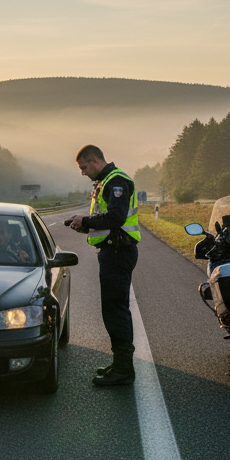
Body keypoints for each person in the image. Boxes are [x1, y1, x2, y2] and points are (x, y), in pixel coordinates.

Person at [64, 145, 140, 386]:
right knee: (113, 310)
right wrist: (83, 224)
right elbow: (107, 219)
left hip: (118, 252)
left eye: (83, 167)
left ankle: (124, 369)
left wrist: (85, 220)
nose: (83, 172)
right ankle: (120, 364)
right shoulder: (107, 180)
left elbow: (117, 217)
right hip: (113, 251)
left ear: (95, 160)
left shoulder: (116, 181)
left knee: (116, 311)